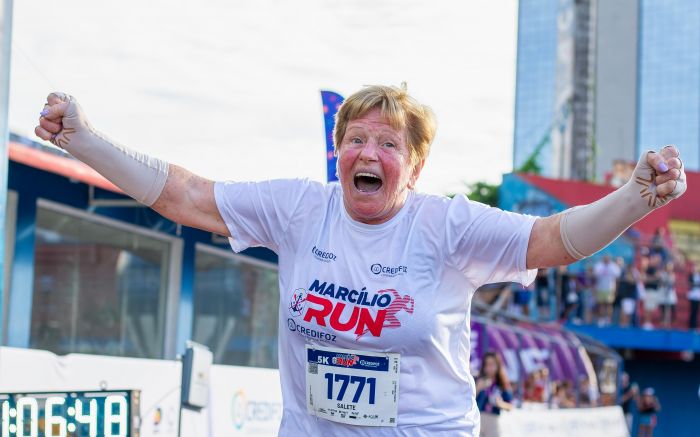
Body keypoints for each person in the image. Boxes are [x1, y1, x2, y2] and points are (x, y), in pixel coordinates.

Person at [35, 87, 686, 436]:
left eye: (387, 141)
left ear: (416, 166)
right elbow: (185, 195)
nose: (366, 152)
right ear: (337, 152)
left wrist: (636, 197)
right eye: (354, 138)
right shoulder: (299, 210)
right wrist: (83, 140)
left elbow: (551, 237)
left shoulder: (446, 224)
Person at [593, 255, 621, 326]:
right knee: (601, 304)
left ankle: (608, 319)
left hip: (610, 288)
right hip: (600, 288)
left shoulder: (613, 266)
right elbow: (595, 274)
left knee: (609, 305)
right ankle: (601, 319)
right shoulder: (599, 265)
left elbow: (617, 275)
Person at [658, 261, 677, 328]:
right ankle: (663, 324)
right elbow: (661, 283)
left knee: (670, 309)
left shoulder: (672, 274)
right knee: (663, 310)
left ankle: (668, 324)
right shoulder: (662, 274)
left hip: (670, 293)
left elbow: (672, 283)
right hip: (663, 293)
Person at [688, 263, 700, 330]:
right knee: (693, 311)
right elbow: (690, 284)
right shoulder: (691, 276)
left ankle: (695, 325)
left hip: (698, 295)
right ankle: (692, 326)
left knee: (696, 311)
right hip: (693, 295)